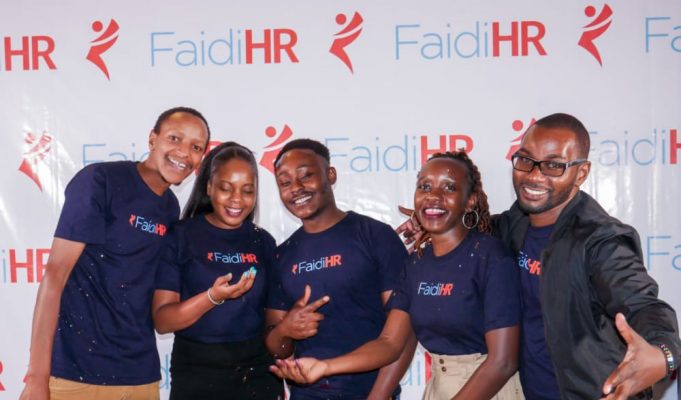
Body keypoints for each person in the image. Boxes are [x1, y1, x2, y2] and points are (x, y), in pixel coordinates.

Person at [399, 113, 681, 399]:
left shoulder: (600, 241)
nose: (534, 175)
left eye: (554, 165)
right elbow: (476, 229)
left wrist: (662, 352)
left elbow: (644, 304)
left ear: (581, 173)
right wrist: (435, 220)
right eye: (525, 160)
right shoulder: (517, 222)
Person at [271, 151, 524, 400]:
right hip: (440, 387)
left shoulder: (490, 256)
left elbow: (503, 362)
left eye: (448, 188)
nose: (433, 196)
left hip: (489, 389)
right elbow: (390, 343)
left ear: (470, 200)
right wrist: (325, 367)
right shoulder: (416, 264)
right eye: (425, 187)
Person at [20, 107, 211, 400]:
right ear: (152, 139)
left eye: (196, 147)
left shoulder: (170, 208)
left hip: (141, 377)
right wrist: (36, 378)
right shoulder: (101, 181)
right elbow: (54, 277)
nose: (184, 152)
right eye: (175, 138)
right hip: (76, 374)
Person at [264, 139, 415, 399]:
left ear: (330, 175)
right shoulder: (282, 255)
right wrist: (285, 330)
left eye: (305, 175)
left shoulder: (375, 236)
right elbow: (276, 347)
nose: (296, 188)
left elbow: (403, 335)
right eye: (285, 182)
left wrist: (378, 396)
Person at [152, 142, 284, 400]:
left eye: (247, 190)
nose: (237, 199)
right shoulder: (181, 236)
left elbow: (274, 325)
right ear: (209, 187)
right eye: (226, 188)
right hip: (197, 372)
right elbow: (163, 321)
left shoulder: (263, 242)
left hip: (258, 373)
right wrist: (212, 297)